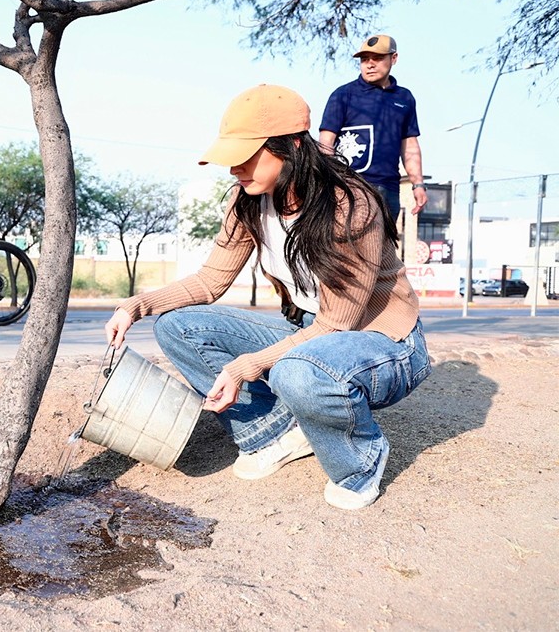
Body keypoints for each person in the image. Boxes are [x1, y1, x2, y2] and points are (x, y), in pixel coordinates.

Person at [103, 84, 431, 510]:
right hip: (309, 331)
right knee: (178, 326)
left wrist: (247, 366)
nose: (233, 169)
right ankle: (273, 432)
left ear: (293, 146)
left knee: (298, 372)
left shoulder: (350, 205)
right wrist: (135, 306)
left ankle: (360, 459)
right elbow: (209, 282)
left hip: (384, 343)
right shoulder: (249, 200)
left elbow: (336, 325)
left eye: (246, 155)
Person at [319, 34, 427, 220]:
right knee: (349, 247)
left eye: (377, 58)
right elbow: (326, 142)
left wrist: (418, 185)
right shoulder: (343, 95)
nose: (370, 64)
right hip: (351, 187)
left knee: (384, 249)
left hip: (389, 190)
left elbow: (409, 145)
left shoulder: (405, 98)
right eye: (364, 59)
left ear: (394, 58)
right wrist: (332, 183)